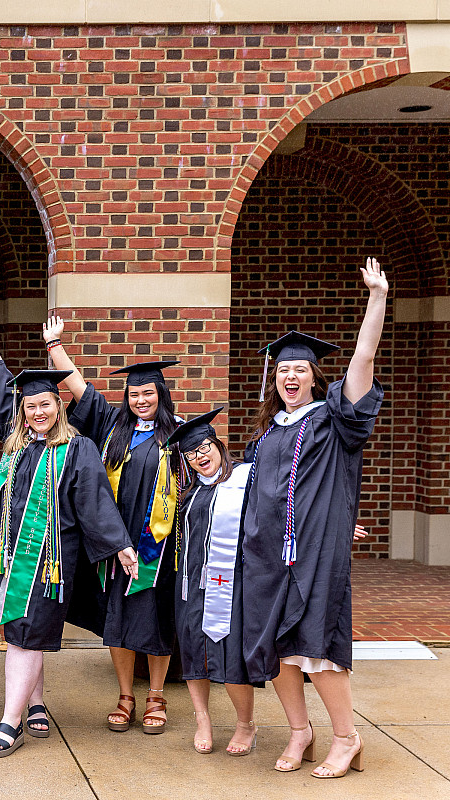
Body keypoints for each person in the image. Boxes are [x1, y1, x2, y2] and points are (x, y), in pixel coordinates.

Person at [0, 308, 138, 757]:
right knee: (21, 630)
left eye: (45, 404)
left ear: (58, 406)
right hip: (7, 555)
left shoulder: (76, 447)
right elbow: (1, 381)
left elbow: (95, 501)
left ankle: (10, 721)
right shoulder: (17, 444)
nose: (37, 412)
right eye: (30, 406)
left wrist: (118, 543)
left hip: (47, 561)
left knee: (26, 630)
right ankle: (36, 702)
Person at [242, 257, 387, 778]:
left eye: (299, 368)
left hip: (316, 554)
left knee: (318, 650)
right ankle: (300, 732)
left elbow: (363, 363)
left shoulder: (334, 418)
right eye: (282, 368)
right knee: (277, 650)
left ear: (314, 375)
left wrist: (377, 299)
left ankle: (346, 738)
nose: (289, 375)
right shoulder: (268, 431)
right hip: (264, 555)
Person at [46, 317, 183, 733]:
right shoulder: (113, 428)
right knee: (118, 619)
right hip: (113, 547)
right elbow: (80, 389)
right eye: (134, 393)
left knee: (158, 618)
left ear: (161, 394)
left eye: (148, 393)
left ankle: (156, 696)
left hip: (159, 548)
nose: (140, 400)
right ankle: (126, 696)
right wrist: (55, 347)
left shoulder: (179, 435)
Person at [165, 408, 257, 757]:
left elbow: (282, 511)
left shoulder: (245, 479)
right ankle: (202, 720)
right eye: (191, 453)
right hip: (190, 587)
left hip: (232, 586)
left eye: (204, 447)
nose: (199, 456)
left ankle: (245, 724)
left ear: (218, 444)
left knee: (232, 657)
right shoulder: (188, 491)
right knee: (192, 652)